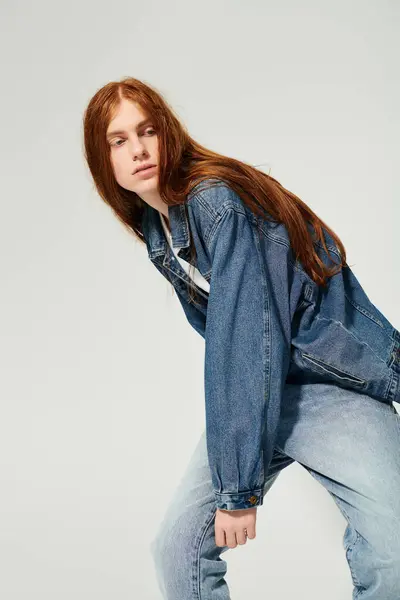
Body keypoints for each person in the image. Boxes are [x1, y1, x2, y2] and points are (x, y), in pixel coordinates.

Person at [82, 77, 400, 599]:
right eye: (118, 140)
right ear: (105, 161)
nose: (138, 149)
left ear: (169, 135)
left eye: (148, 131)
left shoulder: (215, 202)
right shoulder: (158, 230)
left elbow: (246, 337)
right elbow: (241, 346)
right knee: (178, 549)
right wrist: (238, 463)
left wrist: (238, 490)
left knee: (393, 547)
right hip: (259, 393)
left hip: (333, 383)